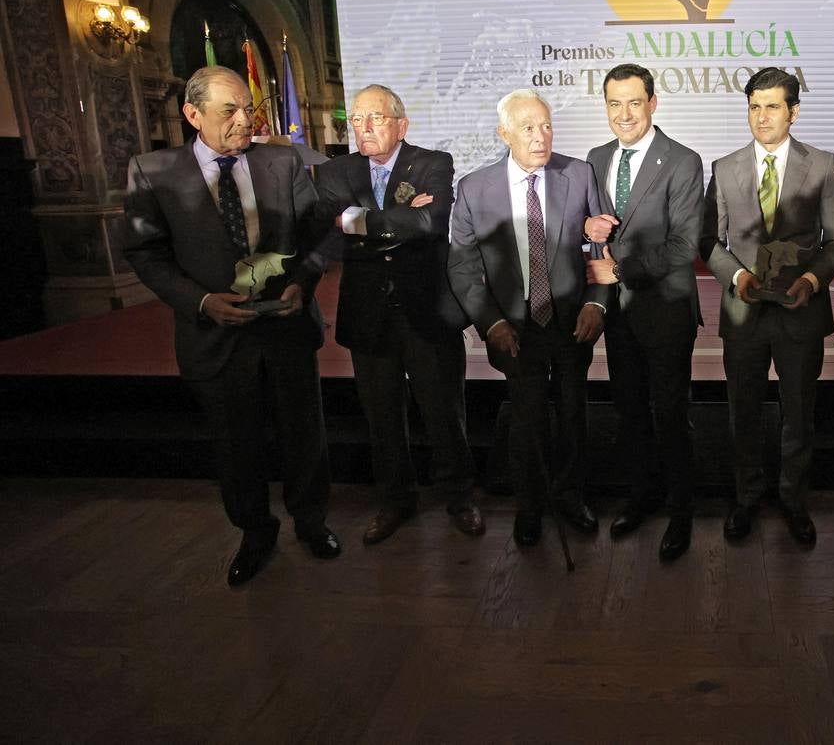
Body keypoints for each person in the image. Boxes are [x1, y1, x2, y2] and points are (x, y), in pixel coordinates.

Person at [123, 66, 339, 587]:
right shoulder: (153, 171)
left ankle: (311, 522)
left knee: (303, 435)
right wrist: (199, 302)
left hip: (286, 328)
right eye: (229, 111)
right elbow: (144, 253)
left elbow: (319, 238)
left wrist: (302, 286)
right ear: (192, 114)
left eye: (249, 108)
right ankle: (254, 532)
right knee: (235, 444)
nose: (245, 120)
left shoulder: (282, 161)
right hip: (214, 338)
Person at [315, 84, 483, 546]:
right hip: (368, 314)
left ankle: (460, 496)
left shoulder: (433, 163)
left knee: (445, 410)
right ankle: (395, 499)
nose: (364, 127)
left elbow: (432, 224)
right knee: (382, 416)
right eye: (357, 119)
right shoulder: (334, 170)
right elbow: (331, 231)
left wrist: (360, 221)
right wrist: (401, 218)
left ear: (401, 125)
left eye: (376, 118)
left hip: (426, 309)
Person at [448, 90, 609, 547]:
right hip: (513, 328)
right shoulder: (475, 189)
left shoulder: (577, 174)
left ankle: (572, 495)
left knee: (574, 413)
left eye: (546, 126)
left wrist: (597, 303)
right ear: (504, 134)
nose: (541, 138)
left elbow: (601, 250)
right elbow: (463, 265)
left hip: (571, 319)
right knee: (527, 419)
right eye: (528, 128)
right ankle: (530, 505)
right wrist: (491, 322)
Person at [700, 67, 834, 546]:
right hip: (744, 311)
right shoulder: (724, 167)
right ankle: (746, 498)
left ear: (793, 112)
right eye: (754, 106)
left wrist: (811, 278)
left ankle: (792, 499)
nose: (761, 117)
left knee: (798, 413)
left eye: (772, 106)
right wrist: (737, 275)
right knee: (742, 411)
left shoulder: (822, 165)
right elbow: (708, 240)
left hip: (800, 310)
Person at [583, 64, 704, 561]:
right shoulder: (595, 158)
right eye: (615, 104)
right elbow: (591, 227)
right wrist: (588, 226)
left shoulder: (683, 160)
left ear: (653, 103)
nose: (624, 114)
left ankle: (681, 510)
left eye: (634, 102)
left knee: (671, 414)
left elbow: (684, 246)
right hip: (617, 315)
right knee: (629, 411)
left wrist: (622, 271)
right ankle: (642, 497)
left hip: (666, 309)